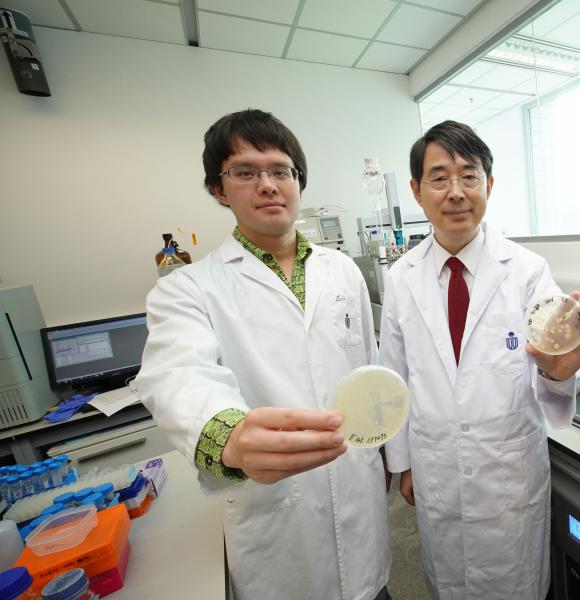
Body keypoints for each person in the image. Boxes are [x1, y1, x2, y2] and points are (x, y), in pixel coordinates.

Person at [135, 109, 391, 600]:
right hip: (275, 510)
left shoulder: (343, 271)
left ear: (298, 181)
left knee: (371, 588)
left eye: (281, 171)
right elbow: (176, 376)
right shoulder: (189, 288)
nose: (268, 185)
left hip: (359, 493)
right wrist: (229, 436)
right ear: (218, 188)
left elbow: (368, 369)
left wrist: (381, 453)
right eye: (246, 172)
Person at [380, 120, 580, 599]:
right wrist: (404, 464)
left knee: (514, 586)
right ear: (417, 191)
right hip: (436, 468)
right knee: (448, 583)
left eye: (469, 176)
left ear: (489, 185)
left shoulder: (527, 270)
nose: (456, 192)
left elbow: (556, 357)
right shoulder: (401, 278)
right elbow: (393, 377)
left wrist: (559, 370)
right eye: (439, 178)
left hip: (507, 479)